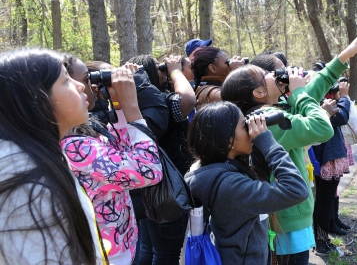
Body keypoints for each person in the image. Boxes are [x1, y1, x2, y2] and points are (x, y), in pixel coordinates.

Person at [221, 27, 357, 264]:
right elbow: (321, 128)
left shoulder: (264, 113)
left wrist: (345, 56)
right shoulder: (268, 121)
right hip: (286, 222)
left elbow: (312, 91)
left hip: (286, 216)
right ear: (259, 92)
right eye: (267, 74)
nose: (274, 75)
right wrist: (299, 93)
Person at [0, 49, 107, 264]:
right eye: (66, 80)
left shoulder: (40, 158)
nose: (80, 85)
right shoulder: (27, 185)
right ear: (35, 98)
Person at [61, 55, 164, 265]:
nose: (88, 86)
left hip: (118, 243)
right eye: (87, 78)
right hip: (107, 253)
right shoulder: (74, 146)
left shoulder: (82, 134)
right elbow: (148, 171)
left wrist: (118, 105)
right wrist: (132, 109)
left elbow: (122, 150)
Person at [184, 101, 309, 265]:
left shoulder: (206, 170)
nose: (251, 131)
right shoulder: (231, 186)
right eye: (245, 126)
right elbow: (296, 189)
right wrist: (266, 141)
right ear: (229, 141)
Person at [127, 54, 196, 265]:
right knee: (166, 254)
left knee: (148, 249)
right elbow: (188, 99)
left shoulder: (128, 109)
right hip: (165, 193)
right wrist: (175, 69)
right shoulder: (162, 105)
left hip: (140, 193)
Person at [311, 81, 351, 255]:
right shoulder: (321, 104)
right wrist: (344, 96)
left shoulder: (315, 102)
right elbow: (341, 117)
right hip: (327, 158)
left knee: (321, 201)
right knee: (324, 202)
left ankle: (319, 240)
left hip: (324, 157)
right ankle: (321, 243)